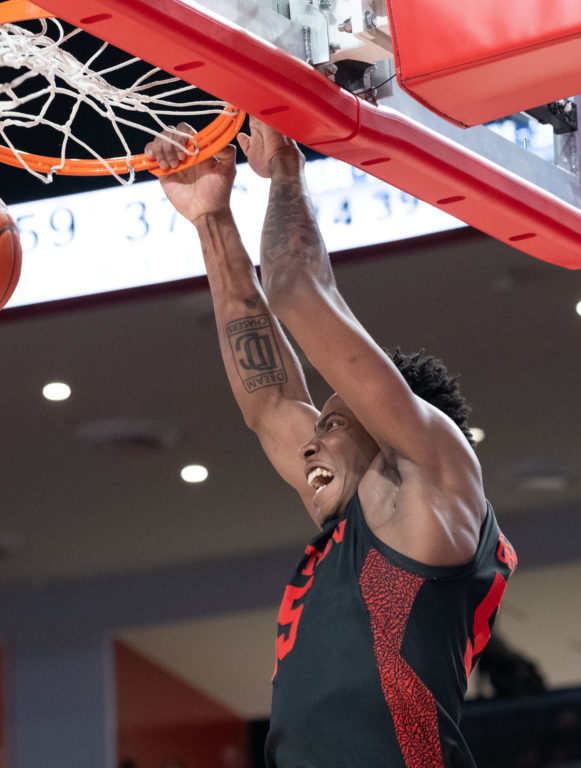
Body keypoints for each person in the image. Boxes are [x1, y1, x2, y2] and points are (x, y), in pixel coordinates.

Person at [146, 120, 516, 768]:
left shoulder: (435, 481)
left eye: (334, 425)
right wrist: (212, 219)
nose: (309, 445)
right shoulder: (359, 514)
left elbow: (297, 290)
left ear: (392, 429)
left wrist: (286, 173)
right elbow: (268, 401)